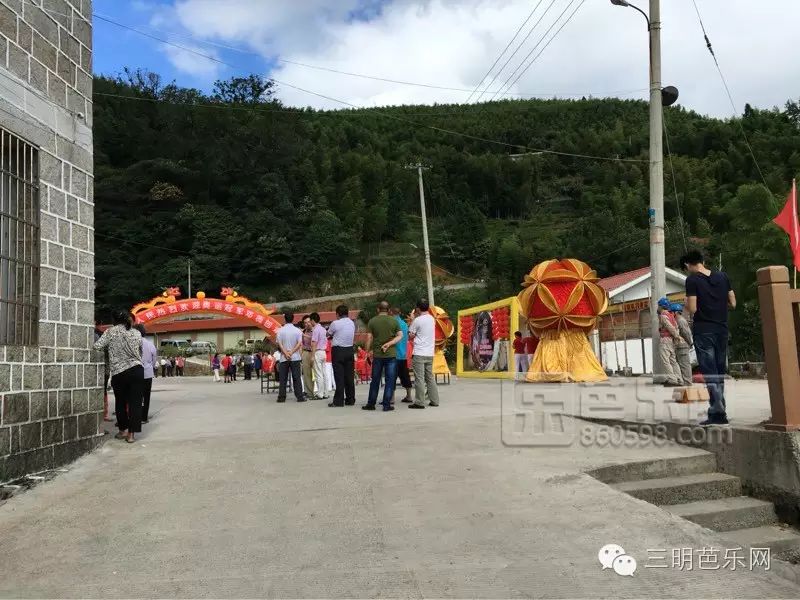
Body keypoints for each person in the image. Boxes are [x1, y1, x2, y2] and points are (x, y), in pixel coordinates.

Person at [681, 250, 736, 425]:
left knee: (709, 372)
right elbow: (733, 303)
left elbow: (693, 308)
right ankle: (720, 412)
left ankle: (717, 410)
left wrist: (686, 303)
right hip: (721, 329)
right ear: (703, 261)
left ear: (687, 265)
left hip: (704, 330)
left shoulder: (692, 280)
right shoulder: (723, 277)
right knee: (719, 371)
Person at [93, 310, 144, 444]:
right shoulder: (136, 332)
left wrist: (109, 350)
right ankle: (131, 435)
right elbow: (139, 350)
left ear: (114, 320)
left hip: (119, 372)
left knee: (121, 402)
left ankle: (122, 431)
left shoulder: (110, 332)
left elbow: (97, 346)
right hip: (137, 370)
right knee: (135, 403)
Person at [363, 301, 403, 412]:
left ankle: (371, 404)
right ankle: (386, 405)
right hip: (391, 355)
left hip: (377, 355)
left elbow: (369, 338)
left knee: (375, 380)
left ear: (378, 309)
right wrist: (390, 343)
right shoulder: (394, 321)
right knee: (390, 380)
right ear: (388, 310)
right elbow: (400, 335)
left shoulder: (372, 321)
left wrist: (367, 351)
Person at [408, 299, 439, 409]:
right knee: (430, 377)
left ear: (417, 308)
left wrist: (412, 320)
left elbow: (410, 336)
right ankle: (435, 400)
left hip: (419, 353)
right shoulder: (432, 319)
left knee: (419, 378)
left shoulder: (417, 320)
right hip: (429, 353)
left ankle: (420, 402)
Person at [327, 304, 356, 407]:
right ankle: (350, 399)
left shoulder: (335, 323)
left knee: (339, 376)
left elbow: (328, 334)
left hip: (338, 351)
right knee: (349, 376)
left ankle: (338, 401)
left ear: (338, 314)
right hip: (349, 350)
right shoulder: (352, 323)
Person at [276, 312, 305, 403]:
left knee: (283, 378)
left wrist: (285, 353)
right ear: (293, 319)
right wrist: (291, 352)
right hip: (295, 357)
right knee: (296, 377)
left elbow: (279, 343)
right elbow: (299, 343)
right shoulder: (297, 330)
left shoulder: (280, 330)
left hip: (284, 358)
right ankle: (300, 396)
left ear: (284, 319)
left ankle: (282, 397)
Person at [657, 298, 684, 387]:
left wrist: (677, 336)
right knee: (673, 361)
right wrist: (676, 337)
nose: (658, 307)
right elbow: (676, 327)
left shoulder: (663, 316)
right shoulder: (671, 315)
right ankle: (679, 379)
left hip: (665, 340)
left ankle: (672, 379)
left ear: (661, 306)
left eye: (659, 305)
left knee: (666, 361)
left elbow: (669, 327)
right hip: (671, 341)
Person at [136, 325, 158, 424]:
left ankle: (136, 416)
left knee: (136, 395)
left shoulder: (134, 343)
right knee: (146, 395)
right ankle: (144, 417)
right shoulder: (150, 344)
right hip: (148, 372)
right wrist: (150, 366)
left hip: (136, 372)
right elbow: (154, 359)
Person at [391, 308, 413, 403]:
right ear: (399, 313)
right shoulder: (404, 324)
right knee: (405, 376)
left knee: (391, 377)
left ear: (390, 312)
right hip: (403, 354)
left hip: (393, 354)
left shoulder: (391, 323)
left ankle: (391, 398)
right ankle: (409, 396)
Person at [671, 303, 694, 386]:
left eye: (672, 312)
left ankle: (688, 383)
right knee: (682, 365)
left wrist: (690, 343)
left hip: (683, 346)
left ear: (676, 312)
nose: (671, 314)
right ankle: (685, 382)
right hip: (679, 346)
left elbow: (686, 333)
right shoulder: (677, 320)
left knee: (685, 365)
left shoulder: (680, 320)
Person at [310, 313, 329, 400]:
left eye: (310, 320)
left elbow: (314, 343)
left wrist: (312, 356)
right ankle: (326, 393)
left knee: (318, 374)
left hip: (317, 352)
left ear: (313, 320)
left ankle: (320, 394)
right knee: (324, 373)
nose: (310, 322)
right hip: (323, 352)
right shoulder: (323, 329)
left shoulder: (315, 330)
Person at [300, 315, 314, 398]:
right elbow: (301, 344)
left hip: (314, 352)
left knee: (315, 373)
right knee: (306, 374)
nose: (307, 324)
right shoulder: (304, 331)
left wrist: (303, 335)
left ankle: (318, 391)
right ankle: (309, 392)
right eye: (305, 323)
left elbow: (314, 339)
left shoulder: (315, 331)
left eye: (308, 322)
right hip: (305, 353)